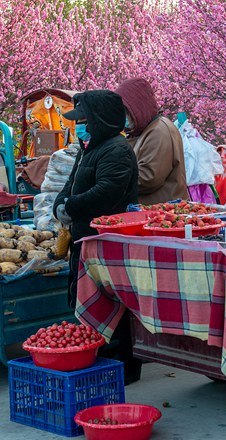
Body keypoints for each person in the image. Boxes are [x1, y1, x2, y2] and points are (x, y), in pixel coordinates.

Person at [52, 90, 141, 384]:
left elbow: (106, 192)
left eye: (84, 120)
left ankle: (120, 368)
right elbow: (71, 184)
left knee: (110, 304)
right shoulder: (89, 147)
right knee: (90, 301)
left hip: (106, 241)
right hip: (85, 237)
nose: (79, 126)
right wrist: (60, 205)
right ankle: (99, 360)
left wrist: (71, 206)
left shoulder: (116, 150)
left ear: (99, 119)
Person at [115, 78, 188, 205]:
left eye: (126, 111)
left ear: (138, 107)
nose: (122, 116)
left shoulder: (159, 130)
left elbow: (148, 178)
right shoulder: (143, 130)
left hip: (162, 213)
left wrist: (111, 179)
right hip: (151, 211)